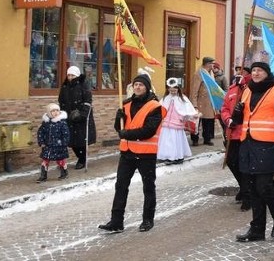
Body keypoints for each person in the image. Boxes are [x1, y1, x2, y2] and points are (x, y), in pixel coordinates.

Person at [231, 62, 274, 242]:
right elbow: (240, 119)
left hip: (268, 146)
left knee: (263, 186)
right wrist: (236, 114)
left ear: (267, 73)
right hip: (247, 144)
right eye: (253, 70)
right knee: (252, 189)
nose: (255, 73)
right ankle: (257, 230)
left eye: (259, 70)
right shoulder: (247, 90)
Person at [98, 73, 166, 233]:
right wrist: (118, 118)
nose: (137, 87)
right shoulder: (126, 104)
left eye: (141, 85)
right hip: (127, 153)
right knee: (120, 186)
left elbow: (148, 131)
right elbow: (119, 129)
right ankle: (116, 221)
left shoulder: (155, 106)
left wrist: (126, 134)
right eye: (135, 84)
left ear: (147, 87)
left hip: (146, 153)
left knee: (148, 187)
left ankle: (148, 220)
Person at [220, 67, 252, 211]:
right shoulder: (232, 89)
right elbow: (225, 108)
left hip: (246, 134)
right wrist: (228, 120)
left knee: (244, 165)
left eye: (243, 71)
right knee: (232, 162)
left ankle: (248, 194)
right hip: (232, 133)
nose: (240, 73)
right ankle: (244, 187)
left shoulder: (250, 89)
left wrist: (244, 84)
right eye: (238, 70)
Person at [58, 65, 96, 170]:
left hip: (81, 117)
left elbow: (88, 101)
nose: (70, 77)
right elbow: (61, 101)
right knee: (71, 140)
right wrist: (62, 113)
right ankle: (80, 157)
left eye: (72, 75)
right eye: (69, 75)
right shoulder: (65, 86)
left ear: (77, 75)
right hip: (68, 116)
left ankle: (82, 159)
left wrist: (82, 114)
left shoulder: (83, 85)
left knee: (81, 140)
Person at [158, 78, 198, 165]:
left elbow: (188, 109)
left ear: (178, 89)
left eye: (175, 89)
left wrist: (191, 115)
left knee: (175, 140)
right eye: (171, 89)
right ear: (168, 89)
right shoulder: (165, 98)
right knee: (165, 140)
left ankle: (177, 156)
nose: (173, 91)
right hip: (166, 123)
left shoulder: (182, 98)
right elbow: (159, 108)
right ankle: (165, 155)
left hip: (177, 122)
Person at [36, 103, 70, 183]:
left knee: (60, 161)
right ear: (49, 113)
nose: (55, 112)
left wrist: (63, 143)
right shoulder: (46, 123)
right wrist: (41, 142)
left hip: (59, 146)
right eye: (53, 111)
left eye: (57, 110)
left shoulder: (62, 123)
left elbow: (66, 134)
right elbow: (40, 133)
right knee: (45, 161)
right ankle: (43, 176)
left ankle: (64, 173)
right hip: (48, 146)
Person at [190, 56, 217, 146]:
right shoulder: (199, 73)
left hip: (209, 102)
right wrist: (194, 104)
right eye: (212, 63)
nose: (213, 65)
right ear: (207, 64)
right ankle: (195, 139)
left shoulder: (211, 73)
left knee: (208, 121)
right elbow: (194, 90)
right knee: (197, 122)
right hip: (200, 102)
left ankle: (207, 138)